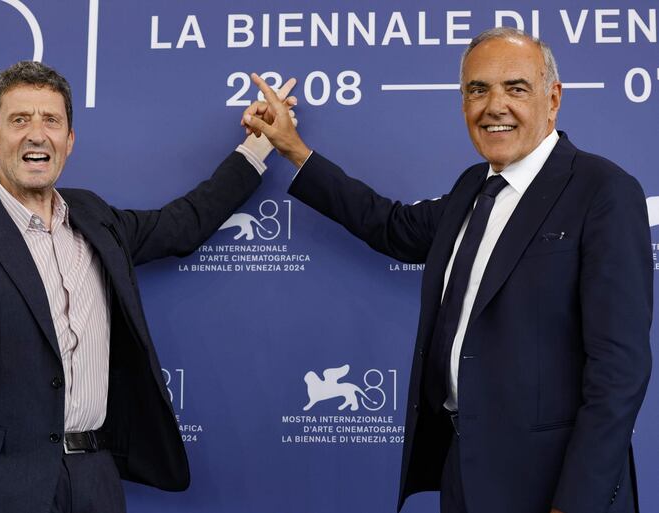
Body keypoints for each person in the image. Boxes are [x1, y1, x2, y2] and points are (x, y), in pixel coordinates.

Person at [242, 27, 652, 513]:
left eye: (515, 88)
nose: (494, 105)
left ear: (553, 99)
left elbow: (619, 373)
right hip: (465, 475)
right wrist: (293, 148)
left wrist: (574, 504)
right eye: (478, 90)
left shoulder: (602, 191)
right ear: (462, 104)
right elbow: (390, 226)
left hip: (554, 485)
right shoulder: (471, 188)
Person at [0, 60, 295, 513]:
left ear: (69, 140)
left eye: (51, 120)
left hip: (93, 481)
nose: (36, 134)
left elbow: (184, 223)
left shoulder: (96, 217)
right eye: (19, 120)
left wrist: (260, 144)